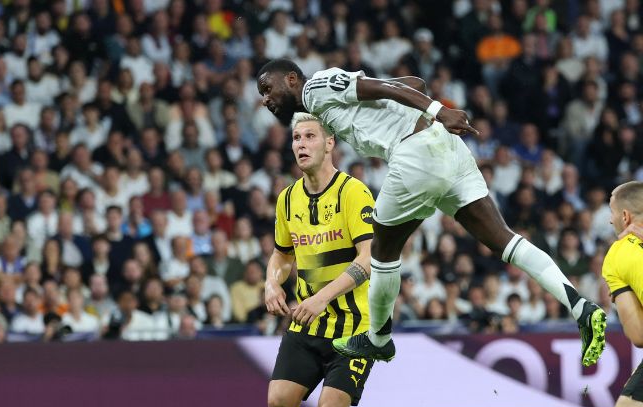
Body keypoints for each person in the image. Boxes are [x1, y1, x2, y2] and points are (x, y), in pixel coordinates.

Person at [256, 58, 606, 367]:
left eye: (268, 88)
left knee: (381, 249)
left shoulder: (315, 87)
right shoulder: (321, 106)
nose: (266, 99)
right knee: (505, 240)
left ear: (291, 79)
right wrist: (427, 106)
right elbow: (410, 85)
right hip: (446, 148)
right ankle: (580, 307)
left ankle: (378, 338)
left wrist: (440, 110)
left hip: (416, 152)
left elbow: (380, 87)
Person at [265, 113, 374, 407]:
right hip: (307, 324)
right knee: (279, 402)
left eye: (310, 136)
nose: (301, 144)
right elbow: (282, 255)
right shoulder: (287, 199)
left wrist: (321, 297)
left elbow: (369, 260)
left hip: (354, 328)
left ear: (330, 144)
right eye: (296, 138)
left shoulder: (353, 192)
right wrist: (271, 283)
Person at [598, 181, 643, 407]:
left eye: (612, 212)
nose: (610, 218)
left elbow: (638, 335)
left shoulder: (619, 252)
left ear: (625, 216)